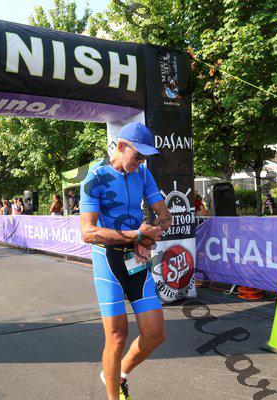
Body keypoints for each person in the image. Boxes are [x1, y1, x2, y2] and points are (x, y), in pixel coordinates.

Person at [80, 122, 172, 400]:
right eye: (138, 155)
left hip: (136, 258)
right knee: (117, 336)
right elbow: (88, 233)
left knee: (155, 334)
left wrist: (147, 239)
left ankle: (117, 374)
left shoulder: (143, 174)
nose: (141, 161)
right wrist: (136, 235)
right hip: (108, 260)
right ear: (121, 146)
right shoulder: (94, 177)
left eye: (145, 157)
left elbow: (165, 216)